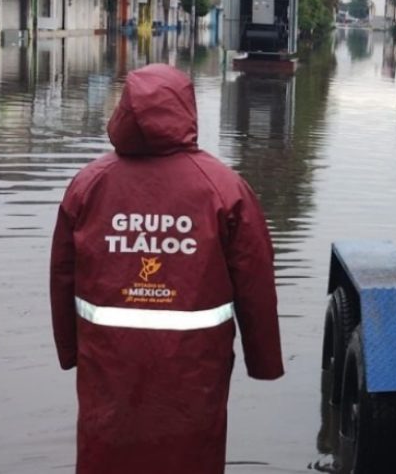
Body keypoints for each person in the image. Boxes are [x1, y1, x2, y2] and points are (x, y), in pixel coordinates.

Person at [50, 63, 283, 474]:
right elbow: (255, 278)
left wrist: (70, 353)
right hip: (193, 369)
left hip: (107, 364)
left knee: (107, 454)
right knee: (190, 457)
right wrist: (262, 360)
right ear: (187, 110)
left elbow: (61, 277)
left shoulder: (88, 185)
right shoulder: (224, 188)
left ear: (123, 109)